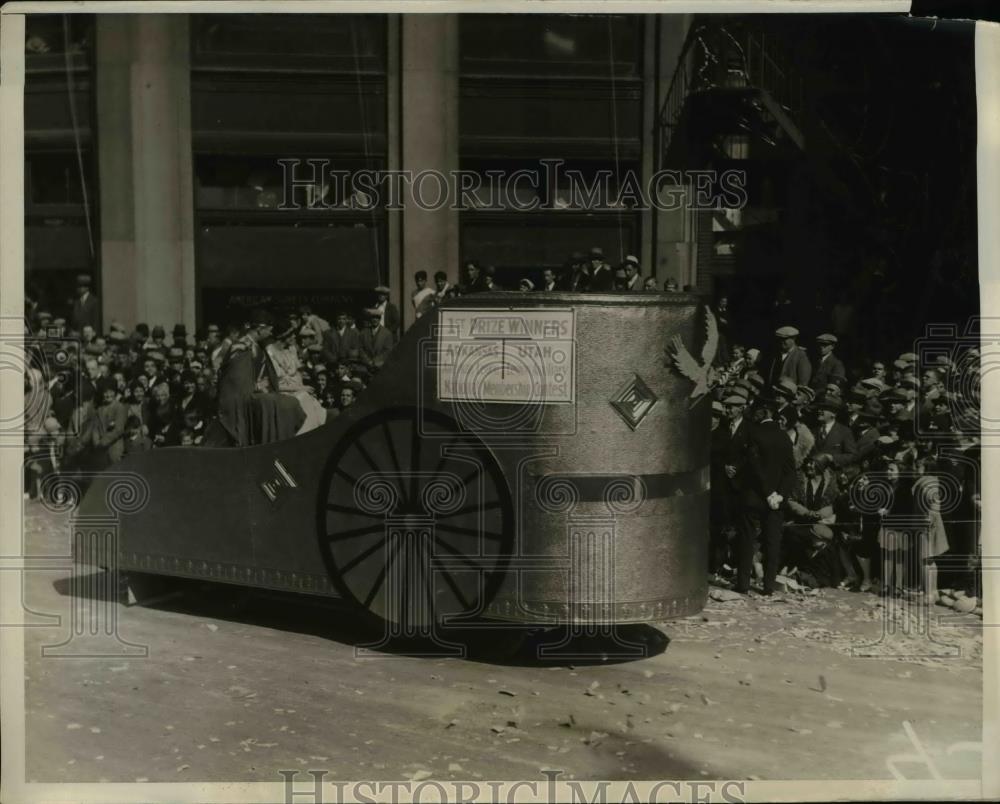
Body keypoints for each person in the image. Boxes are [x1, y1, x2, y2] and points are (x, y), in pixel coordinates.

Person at [735, 395, 796, 596]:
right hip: (776, 500)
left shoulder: (753, 433)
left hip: (754, 496)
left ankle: (743, 584)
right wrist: (780, 495)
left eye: (757, 411)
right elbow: (790, 471)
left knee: (747, 540)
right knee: (773, 542)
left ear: (765, 412)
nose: (754, 414)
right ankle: (768, 586)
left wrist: (767, 491)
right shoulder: (785, 437)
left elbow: (754, 466)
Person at [266, 316, 327, 435]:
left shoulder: (292, 349)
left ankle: (315, 434)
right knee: (304, 400)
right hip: (281, 391)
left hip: (297, 389)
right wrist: (300, 389)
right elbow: (274, 384)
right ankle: (304, 437)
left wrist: (303, 387)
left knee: (313, 402)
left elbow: (298, 374)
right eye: (292, 334)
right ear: (283, 336)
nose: (295, 337)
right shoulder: (270, 352)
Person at [812, 398, 857, 467]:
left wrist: (832, 458)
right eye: (820, 408)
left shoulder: (844, 431)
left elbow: (852, 455)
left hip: (831, 473)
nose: (819, 411)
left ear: (834, 414)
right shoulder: (813, 429)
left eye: (824, 408)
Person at [360, 308, 394, 372]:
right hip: (366, 366)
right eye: (373, 317)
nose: (375, 320)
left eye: (377, 318)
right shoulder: (363, 332)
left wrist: (375, 361)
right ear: (370, 318)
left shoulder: (387, 333)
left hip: (380, 367)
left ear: (380, 319)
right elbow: (360, 348)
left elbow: (388, 350)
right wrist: (368, 361)